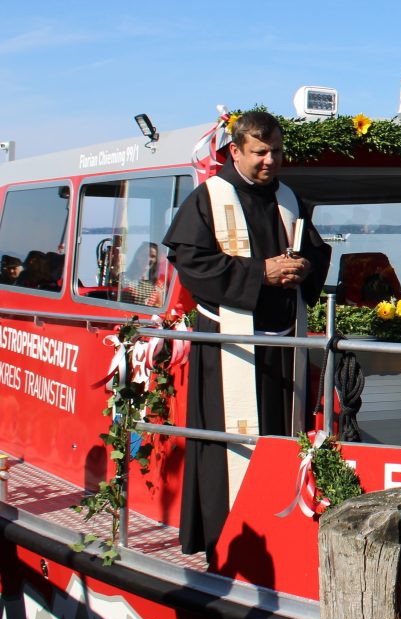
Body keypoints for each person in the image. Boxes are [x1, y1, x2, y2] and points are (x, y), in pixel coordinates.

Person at [163, 111, 331, 561]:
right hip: (228, 348)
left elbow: (314, 250)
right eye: (260, 152)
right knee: (228, 448)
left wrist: (303, 267)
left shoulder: (290, 198)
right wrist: (262, 272)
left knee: (280, 436)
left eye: (276, 151)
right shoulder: (209, 197)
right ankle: (225, 538)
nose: (269, 161)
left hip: (280, 346)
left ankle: (279, 526)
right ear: (235, 150)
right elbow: (194, 266)